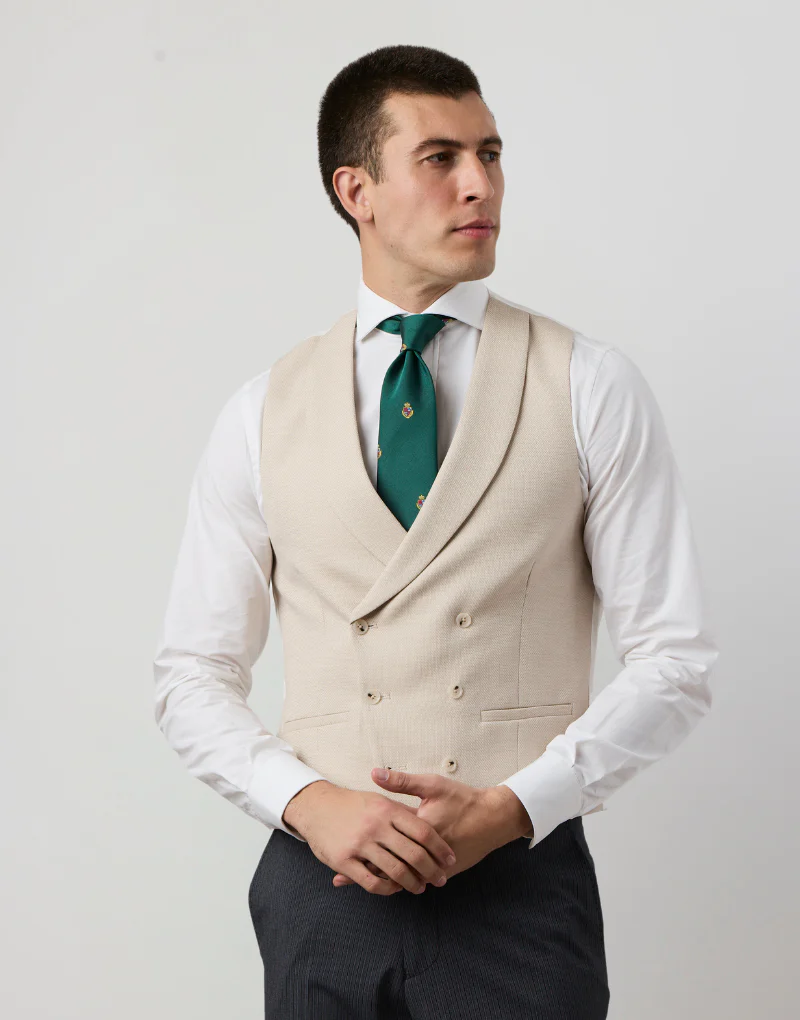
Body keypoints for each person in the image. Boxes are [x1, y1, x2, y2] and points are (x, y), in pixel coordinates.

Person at [153, 43, 719, 1019]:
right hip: (319, 892)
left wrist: (517, 805)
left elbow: (676, 661)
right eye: (440, 158)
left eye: (490, 154)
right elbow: (190, 673)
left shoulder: (588, 384)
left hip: (519, 893)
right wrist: (307, 803)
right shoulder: (261, 411)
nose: (479, 184)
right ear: (357, 191)